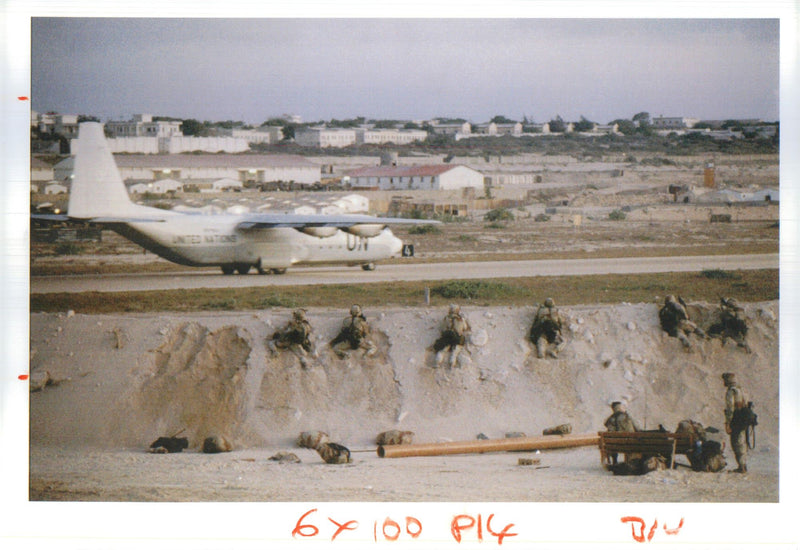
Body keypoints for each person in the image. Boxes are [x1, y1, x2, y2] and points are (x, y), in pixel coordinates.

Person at [723, 372, 749, 473]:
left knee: (736, 442)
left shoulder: (731, 391)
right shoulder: (741, 389)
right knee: (742, 442)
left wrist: (728, 423)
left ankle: (741, 466)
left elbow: (730, 408)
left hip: (736, 419)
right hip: (743, 419)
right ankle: (743, 465)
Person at [433, 304, 471, 368]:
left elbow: (442, 328)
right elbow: (465, 327)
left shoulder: (446, 318)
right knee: (455, 352)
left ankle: (437, 363)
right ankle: (452, 364)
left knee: (442, 351)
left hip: (447, 337)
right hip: (457, 337)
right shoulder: (461, 319)